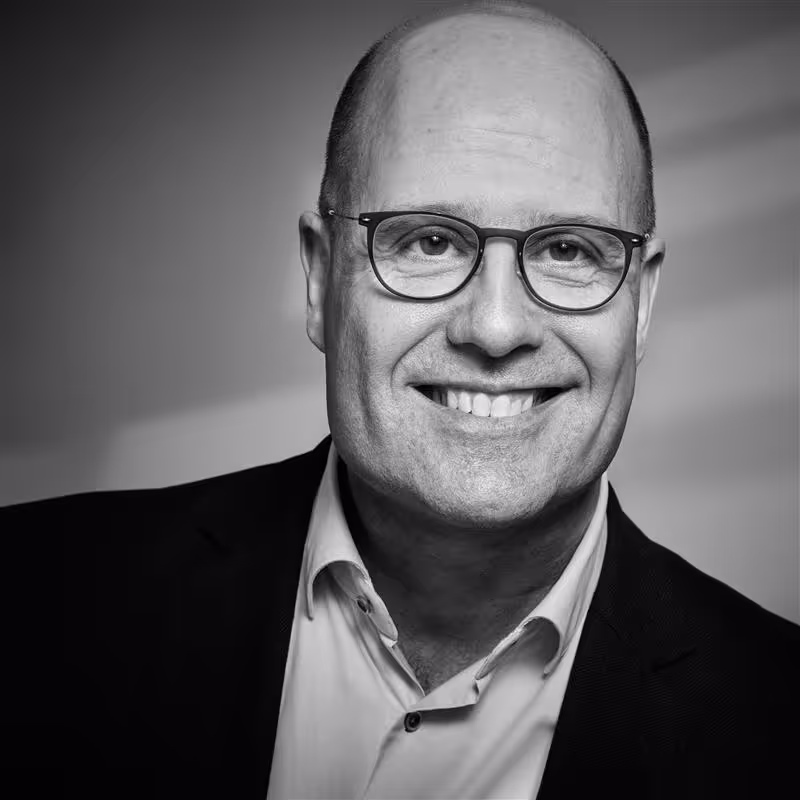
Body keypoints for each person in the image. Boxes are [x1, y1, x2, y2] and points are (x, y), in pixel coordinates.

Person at [2, 1, 798, 798]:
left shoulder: (778, 721)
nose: (495, 328)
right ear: (321, 278)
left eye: (568, 249)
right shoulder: (35, 597)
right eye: (429, 240)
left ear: (642, 303)